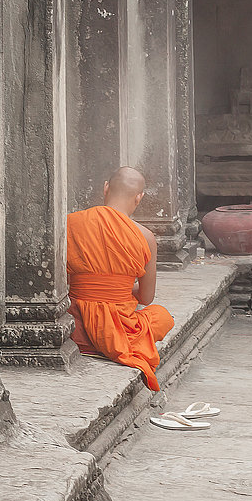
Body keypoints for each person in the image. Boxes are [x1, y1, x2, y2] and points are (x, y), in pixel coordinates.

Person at [66, 166, 174, 391]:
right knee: (162, 317)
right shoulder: (145, 237)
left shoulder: (70, 223)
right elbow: (146, 296)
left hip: (76, 326)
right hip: (120, 328)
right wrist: (119, 290)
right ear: (139, 197)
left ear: (105, 188)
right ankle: (114, 343)